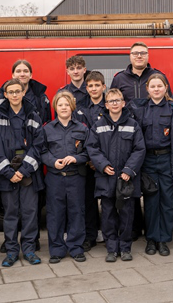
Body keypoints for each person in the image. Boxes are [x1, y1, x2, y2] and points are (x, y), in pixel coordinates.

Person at [110, 41, 171, 240]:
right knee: (133, 189)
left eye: (143, 53)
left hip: (152, 141)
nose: (139, 56)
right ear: (130, 56)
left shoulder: (157, 76)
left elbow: (168, 103)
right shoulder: (119, 78)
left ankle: (155, 232)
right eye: (135, 53)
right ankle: (134, 229)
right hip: (130, 140)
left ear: (147, 55)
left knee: (154, 193)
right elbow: (113, 102)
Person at [86, 88, 146, 262]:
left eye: (117, 100)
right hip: (106, 177)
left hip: (126, 179)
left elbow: (139, 149)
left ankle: (125, 248)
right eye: (111, 101)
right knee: (108, 214)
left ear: (123, 103)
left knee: (127, 214)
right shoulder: (98, 125)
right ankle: (111, 249)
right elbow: (92, 148)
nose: (114, 104)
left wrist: (129, 170)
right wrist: (103, 165)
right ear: (106, 105)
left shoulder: (133, 125)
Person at [129, 74, 173, 257]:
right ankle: (152, 239)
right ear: (147, 89)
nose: (156, 89)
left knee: (168, 202)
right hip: (148, 161)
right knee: (151, 201)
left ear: (166, 87)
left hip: (168, 159)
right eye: (152, 86)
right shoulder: (140, 110)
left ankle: (164, 240)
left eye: (159, 86)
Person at [0, 78, 44, 267]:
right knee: (10, 214)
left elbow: (38, 146)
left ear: (23, 93)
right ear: (5, 94)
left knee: (30, 212)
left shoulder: (33, 116)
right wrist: (9, 172)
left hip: (28, 174)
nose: (14, 95)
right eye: (11, 92)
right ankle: (12, 251)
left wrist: (23, 171)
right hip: (7, 176)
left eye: (17, 91)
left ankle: (29, 249)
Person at [41, 91, 90, 263]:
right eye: (60, 104)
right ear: (55, 107)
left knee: (77, 212)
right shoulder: (47, 129)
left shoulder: (82, 128)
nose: (63, 108)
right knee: (55, 213)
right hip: (55, 178)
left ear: (72, 107)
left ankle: (76, 248)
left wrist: (76, 158)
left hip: (76, 177)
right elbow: (42, 151)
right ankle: (56, 249)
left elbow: (89, 152)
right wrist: (53, 162)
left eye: (67, 105)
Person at [74, 71, 107, 251]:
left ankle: (110, 234)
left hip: (106, 162)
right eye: (90, 86)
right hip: (87, 163)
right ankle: (90, 236)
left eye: (97, 85)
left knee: (109, 201)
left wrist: (101, 161)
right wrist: (90, 159)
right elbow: (78, 136)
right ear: (86, 88)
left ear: (103, 86)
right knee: (88, 201)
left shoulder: (109, 106)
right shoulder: (79, 108)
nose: (94, 89)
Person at [11, 59, 52, 124]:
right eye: (18, 71)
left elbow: (47, 124)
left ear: (31, 75)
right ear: (13, 75)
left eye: (26, 71)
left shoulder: (42, 98)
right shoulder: (3, 97)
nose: (22, 74)